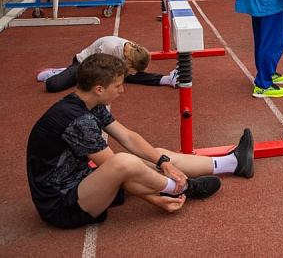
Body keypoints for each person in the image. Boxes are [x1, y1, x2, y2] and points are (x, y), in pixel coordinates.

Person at [26, 53, 254, 229]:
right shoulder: (78, 120)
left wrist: (163, 162)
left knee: (155, 153)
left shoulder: (89, 103)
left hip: (81, 181)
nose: (122, 90)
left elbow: (128, 137)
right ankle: (180, 188)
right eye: (118, 86)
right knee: (123, 162)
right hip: (63, 205)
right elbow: (116, 168)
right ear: (98, 89)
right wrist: (155, 200)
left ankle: (232, 163)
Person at [37, 35, 177, 93]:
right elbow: (99, 68)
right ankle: (60, 72)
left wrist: (129, 73)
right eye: (133, 67)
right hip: (87, 62)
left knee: (134, 76)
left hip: (110, 64)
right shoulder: (110, 47)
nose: (133, 71)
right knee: (53, 86)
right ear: (129, 60)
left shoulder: (134, 51)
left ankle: (167, 79)